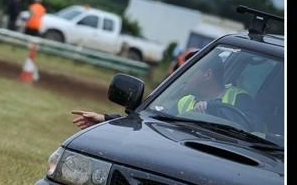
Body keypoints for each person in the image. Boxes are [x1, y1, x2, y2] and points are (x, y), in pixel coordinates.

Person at [71, 53, 251, 130]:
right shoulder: (184, 102)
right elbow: (148, 125)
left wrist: (213, 112)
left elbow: (259, 136)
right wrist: (103, 119)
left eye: (189, 72)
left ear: (208, 75)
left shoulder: (241, 99)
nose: (182, 76)